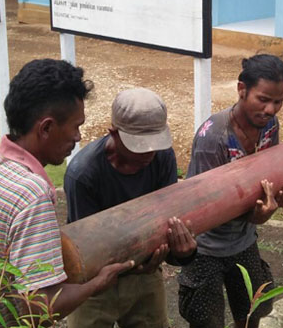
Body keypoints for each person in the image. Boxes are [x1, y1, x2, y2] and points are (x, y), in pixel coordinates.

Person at [0, 59, 133, 326]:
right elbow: (38, 307)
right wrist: (97, 284)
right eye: (75, 126)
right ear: (46, 128)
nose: (78, 137)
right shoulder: (31, 195)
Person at [178, 54, 283, 328]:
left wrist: (277, 196)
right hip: (206, 246)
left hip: (243, 241)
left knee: (253, 310)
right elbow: (209, 204)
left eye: (278, 101)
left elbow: (270, 172)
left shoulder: (269, 127)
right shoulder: (213, 138)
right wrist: (257, 215)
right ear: (242, 89)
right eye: (263, 99)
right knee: (208, 321)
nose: (270, 110)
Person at [63, 87, 197, 328]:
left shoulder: (162, 157)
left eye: (154, 143)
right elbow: (85, 249)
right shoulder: (83, 174)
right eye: (139, 144)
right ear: (113, 132)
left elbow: (167, 219)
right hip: (93, 286)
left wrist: (181, 253)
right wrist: (135, 259)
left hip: (145, 276)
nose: (148, 152)